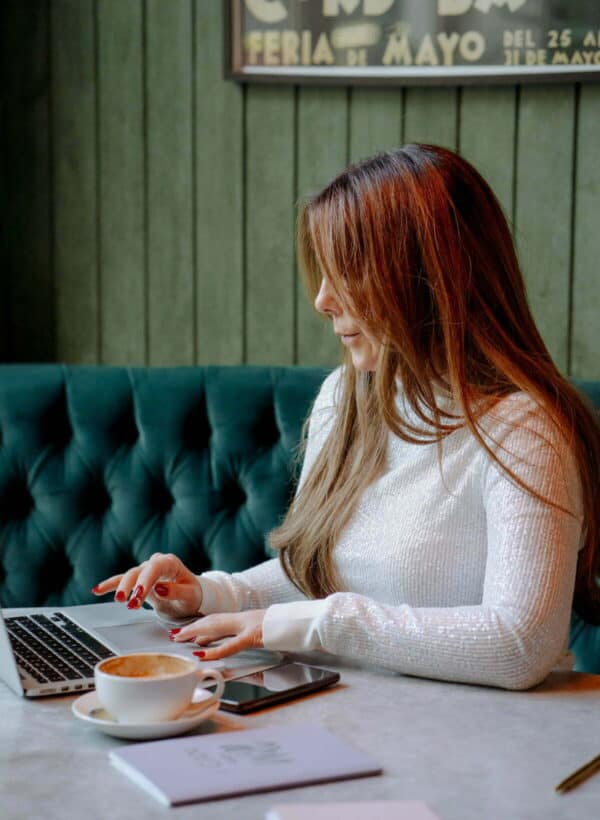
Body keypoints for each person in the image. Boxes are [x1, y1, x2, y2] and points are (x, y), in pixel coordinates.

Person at [93, 144, 600, 690]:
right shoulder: (348, 396)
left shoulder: (525, 429)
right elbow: (321, 579)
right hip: (365, 717)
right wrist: (210, 594)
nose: (322, 300)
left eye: (348, 273)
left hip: (490, 747)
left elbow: (520, 645)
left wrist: (316, 624)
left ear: (427, 279)